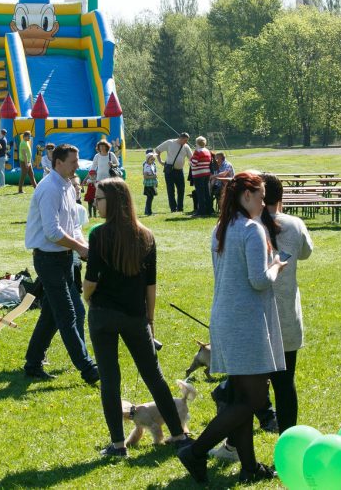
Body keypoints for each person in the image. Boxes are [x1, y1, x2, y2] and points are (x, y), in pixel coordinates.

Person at [178, 172, 286, 484]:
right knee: (253, 401)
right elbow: (258, 280)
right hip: (245, 323)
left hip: (226, 319)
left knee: (241, 398)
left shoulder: (221, 228)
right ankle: (195, 452)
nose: (264, 202)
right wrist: (276, 266)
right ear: (247, 196)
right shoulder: (252, 229)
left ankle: (250, 468)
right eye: (261, 196)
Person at [83, 178, 193, 457]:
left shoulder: (98, 234)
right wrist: (150, 318)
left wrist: (87, 296)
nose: (95, 203)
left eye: (100, 199)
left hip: (103, 315)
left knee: (110, 379)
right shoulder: (146, 235)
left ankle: (118, 445)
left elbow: (90, 281)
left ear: (115, 202)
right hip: (136, 316)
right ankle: (179, 435)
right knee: (154, 376)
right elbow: (150, 286)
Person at [23, 144, 99, 385]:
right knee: (67, 313)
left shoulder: (68, 186)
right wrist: (79, 247)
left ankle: (33, 363)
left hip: (65, 258)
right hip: (48, 260)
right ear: (58, 163)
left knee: (57, 313)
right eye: (73, 162)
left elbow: (73, 224)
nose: (77, 166)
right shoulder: (50, 188)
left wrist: (83, 245)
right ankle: (88, 368)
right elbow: (53, 232)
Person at [154, 133, 193, 213]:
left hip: (179, 171)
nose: (186, 142)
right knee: (170, 190)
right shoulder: (170, 143)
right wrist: (160, 161)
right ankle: (173, 208)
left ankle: (180, 208)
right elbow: (157, 150)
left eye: (187, 141)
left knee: (181, 190)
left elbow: (191, 158)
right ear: (181, 138)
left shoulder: (186, 147)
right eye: (185, 140)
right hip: (169, 170)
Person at [190, 136, 213, 216]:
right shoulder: (207, 151)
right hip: (206, 173)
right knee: (206, 192)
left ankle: (201, 211)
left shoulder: (197, 152)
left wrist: (191, 159)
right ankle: (209, 209)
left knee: (200, 193)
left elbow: (194, 163)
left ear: (197, 143)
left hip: (198, 174)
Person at [142, 152, 158, 216]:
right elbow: (145, 176)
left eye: (153, 159)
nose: (153, 161)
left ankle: (148, 211)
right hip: (149, 184)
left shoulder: (152, 165)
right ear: (147, 159)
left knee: (151, 198)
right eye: (151, 159)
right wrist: (153, 176)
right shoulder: (146, 166)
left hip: (152, 184)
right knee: (149, 198)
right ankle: (148, 212)